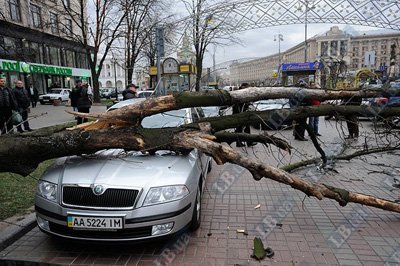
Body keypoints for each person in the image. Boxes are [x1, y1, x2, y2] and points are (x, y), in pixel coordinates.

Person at [232, 83, 254, 147]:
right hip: (240, 114)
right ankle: (243, 143)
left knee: (244, 128)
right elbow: (241, 104)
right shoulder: (240, 93)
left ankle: (245, 142)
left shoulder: (240, 92)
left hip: (240, 113)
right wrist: (247, 104)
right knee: (241, 128)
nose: (248, 88)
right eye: (247, 87)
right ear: (243, 87)